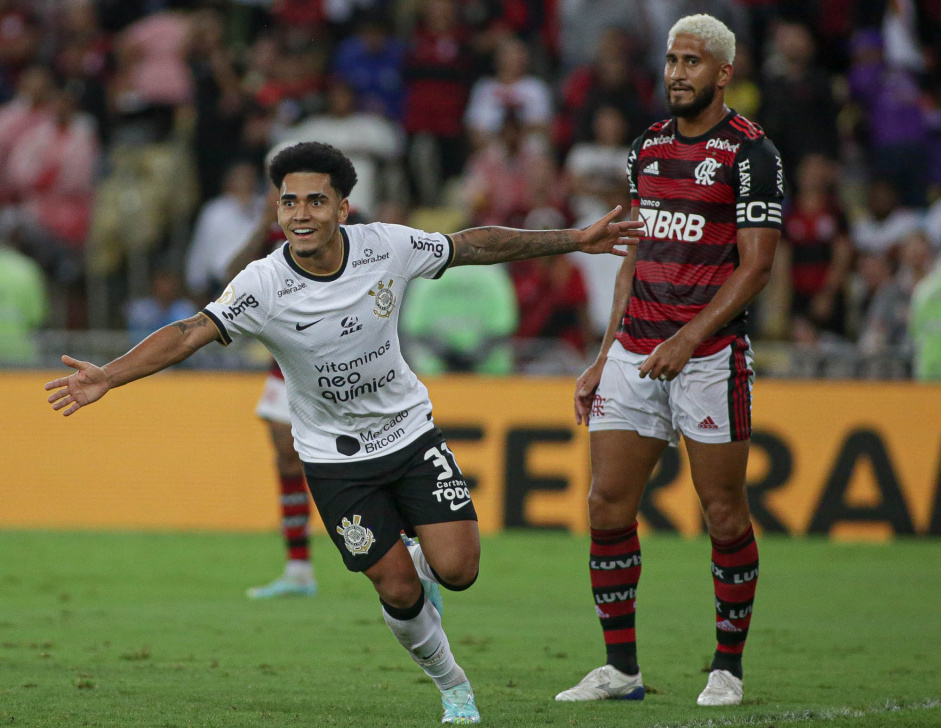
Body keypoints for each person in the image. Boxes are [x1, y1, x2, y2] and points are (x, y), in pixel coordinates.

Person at [45, 140, 643, 724]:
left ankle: (415, 552)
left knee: (459, 571)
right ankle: (453, 687)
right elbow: (188, 332)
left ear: (341, 209)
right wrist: (111, 376)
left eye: (314, 202)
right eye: (288, 203)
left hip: (410, 434)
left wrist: (576, 239)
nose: (300, 215)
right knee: (399, 591)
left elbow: (473, 244)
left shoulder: (386, 246)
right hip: (334, 459)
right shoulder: (262, 284)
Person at [555, 14, 783, 708]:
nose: (676, 72)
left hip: (709, 356)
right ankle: (620, 669)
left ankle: (726, 667)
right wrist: (602, 355)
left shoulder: (752, 153)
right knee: (604, 506)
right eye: (670, 60)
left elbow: (756, 268)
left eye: (691, 62)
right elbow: (634, 254)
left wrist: (686, 339)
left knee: (721, 512)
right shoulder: (647, 146)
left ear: (722, 73)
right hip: (632, 351)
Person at [223, 184, 318, 600]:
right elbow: (229, 278)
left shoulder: (343, 222)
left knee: (359, 459)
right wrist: (263, 225)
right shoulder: (273, 236)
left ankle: (408, 547)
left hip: (340, 358)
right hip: (287, 361)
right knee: (285, 455)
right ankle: (298, 567)